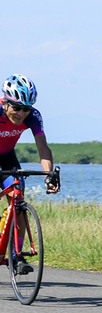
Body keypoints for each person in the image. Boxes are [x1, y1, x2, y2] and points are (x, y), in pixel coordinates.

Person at [0, 74, 60, 274]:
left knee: (17, 199)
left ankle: (16, 256)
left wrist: (48, 175)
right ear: (5, 103)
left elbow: (43, 148)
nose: (21, 114)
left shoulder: (33, 117)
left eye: (26, 108)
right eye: (16, 108)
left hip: (7, 158)